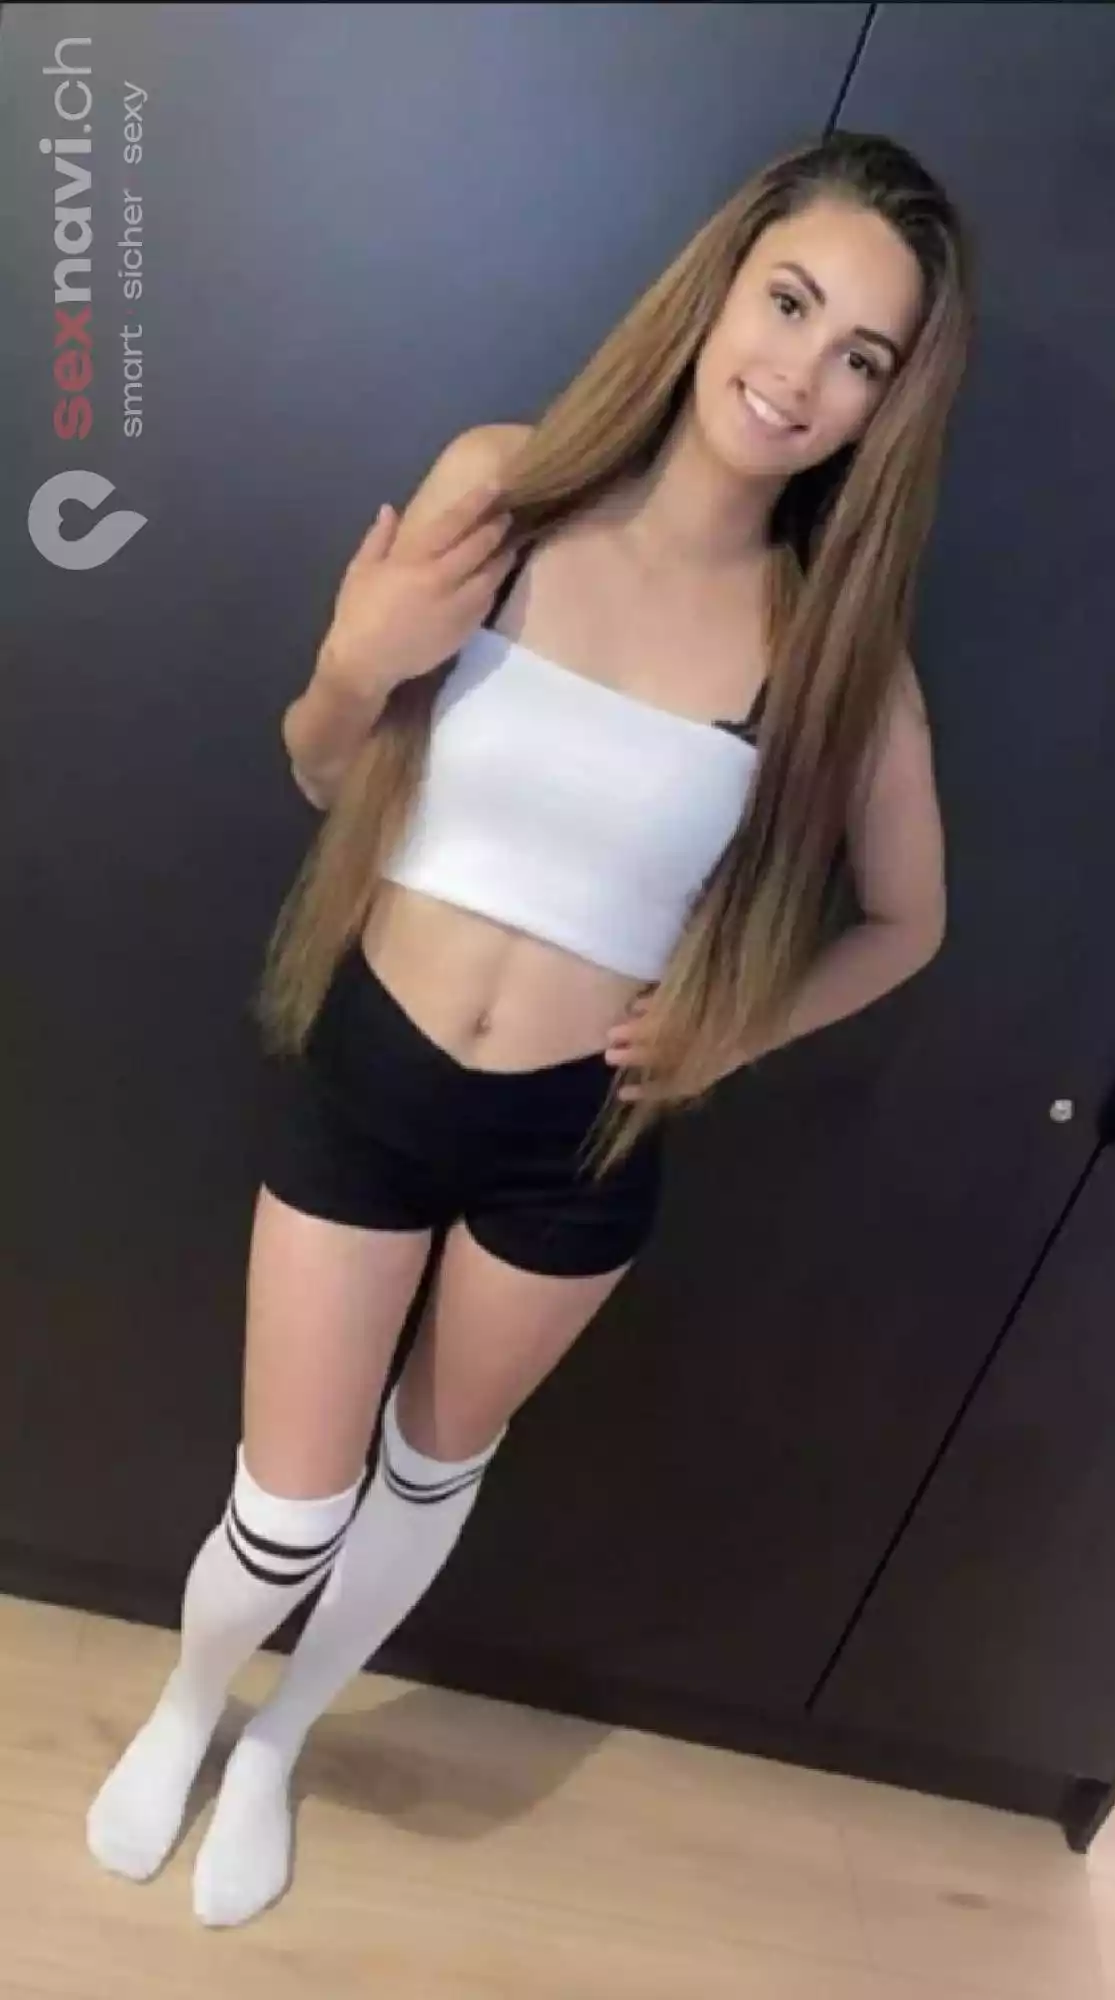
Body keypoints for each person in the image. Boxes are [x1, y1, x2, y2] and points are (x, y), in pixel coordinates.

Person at [85, 129, 972, 1926]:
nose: (801, 372)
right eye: (791, 301)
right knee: (286, 1508)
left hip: (577, 1144)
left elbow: (911, 921)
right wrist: (356, 659)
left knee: (429, 1474)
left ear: (886, 409)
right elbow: (319, 764)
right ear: (722, 286)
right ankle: (192, 1709)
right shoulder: (506, 490)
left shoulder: (830, 649)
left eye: (862, 356)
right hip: (374, 1073)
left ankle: (280, 1747)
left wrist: (730, 1034)